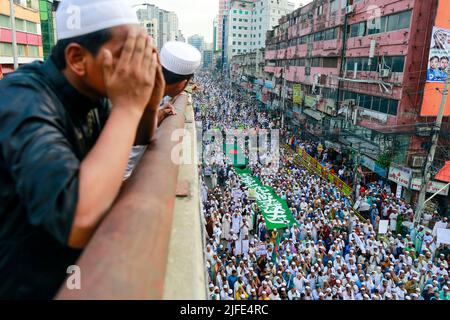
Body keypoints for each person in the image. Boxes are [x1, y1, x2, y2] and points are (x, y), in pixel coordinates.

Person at [0, 0, 164, 299]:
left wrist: (148, 105)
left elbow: (135, 144)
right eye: (124, 55)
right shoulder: (23, 100)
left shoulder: (91, 92)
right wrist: (128, 106)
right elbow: (76, 217)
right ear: (77, 58)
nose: (134, 67)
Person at [124, 40, 202, 179]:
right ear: (182, 83)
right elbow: (127, 165)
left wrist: (157, 116)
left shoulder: (144, 90)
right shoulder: (145, 101)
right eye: (188, 83)